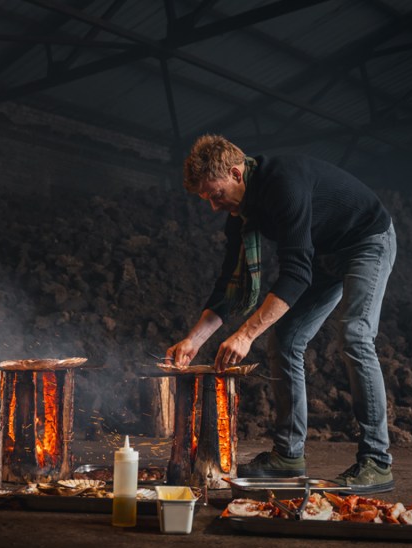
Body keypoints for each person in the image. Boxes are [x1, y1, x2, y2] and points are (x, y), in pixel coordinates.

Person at [166, 134, 398, 493]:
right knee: (286, 338)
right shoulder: (241, 216)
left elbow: (295, 274)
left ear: (235, 173)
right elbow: (228, 285)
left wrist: (245, 334)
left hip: (366, 241)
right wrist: (193, 341)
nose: (214, 206)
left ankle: (377, 461)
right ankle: (288, 457)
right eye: (206, 199)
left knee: (354, 334)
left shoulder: (284, 184)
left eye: (215, 195)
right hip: (324, 253)